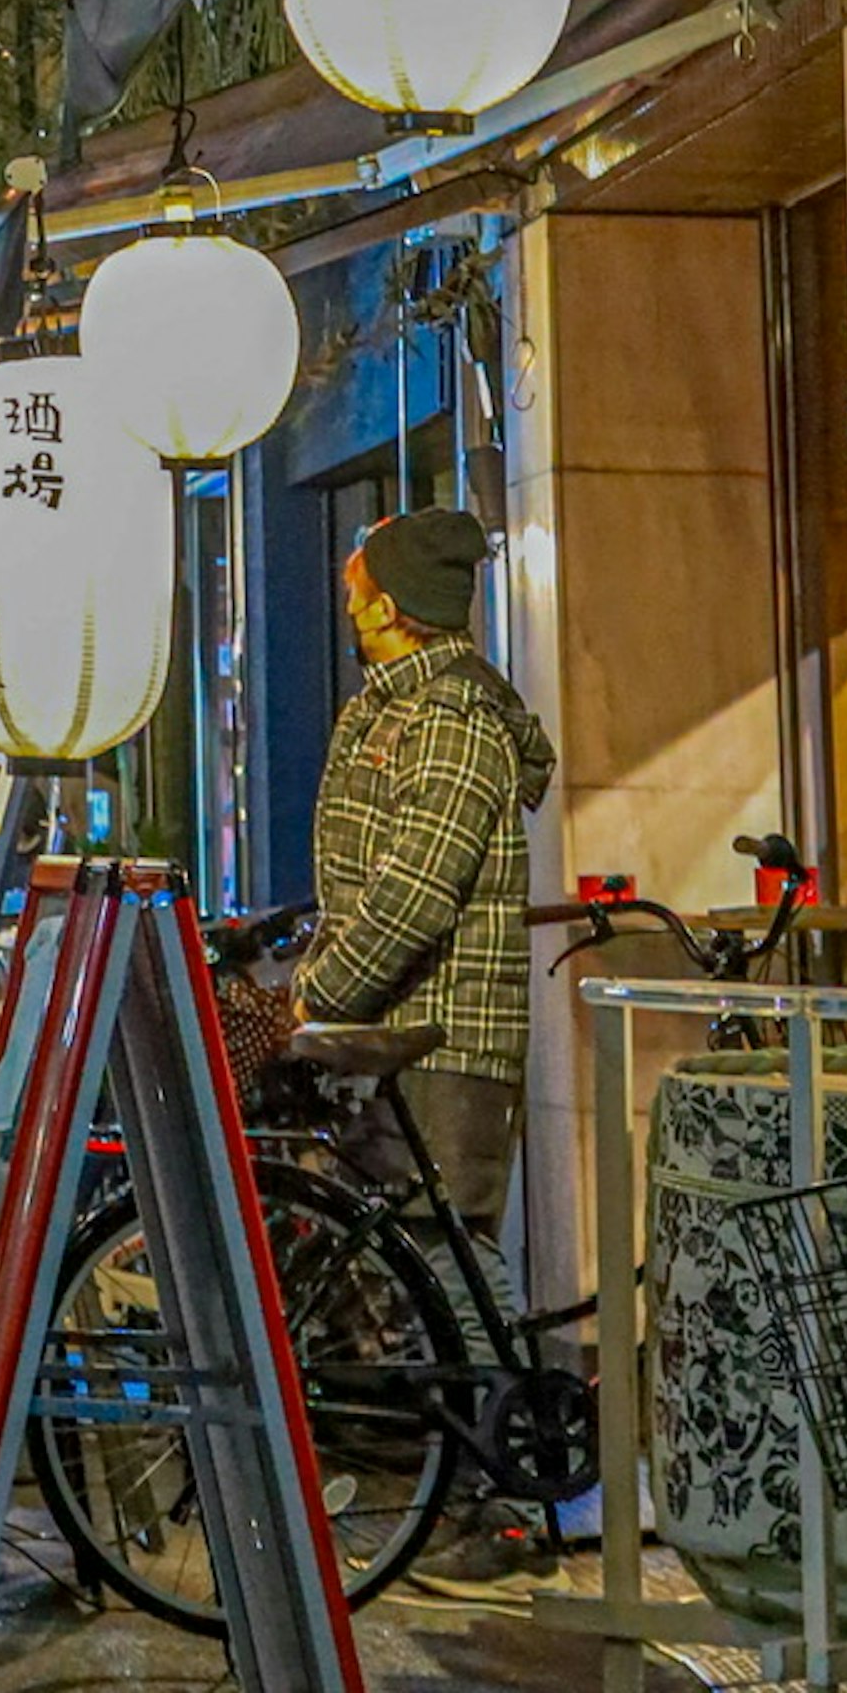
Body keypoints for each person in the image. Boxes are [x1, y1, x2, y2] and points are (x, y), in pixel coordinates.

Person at [296, 500, 555, 1242]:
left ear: (390, 607)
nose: (348, 605)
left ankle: (495, 1367)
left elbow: (415, 894)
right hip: (400, 1042)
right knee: (413, 1274)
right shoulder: (398, 707)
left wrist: (318, 992)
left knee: (444, 1269)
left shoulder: (449, 716)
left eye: (358, 590)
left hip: (442, 1048)